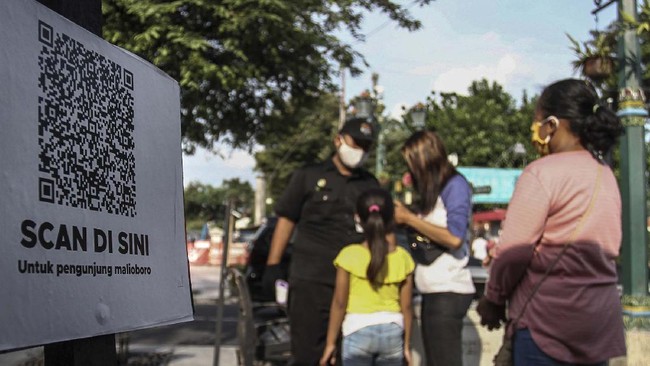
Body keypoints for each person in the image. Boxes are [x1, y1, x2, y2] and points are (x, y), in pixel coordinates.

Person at [477, 78, 626, 365]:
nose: (535, 129)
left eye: (537, 121)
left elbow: (514, 254)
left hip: (547, 323)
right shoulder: (604, 174)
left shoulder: (541, 173)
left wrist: (493, 300)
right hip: (599, 324)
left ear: (552, 125)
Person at [263, 117, 379, 365]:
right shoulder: (308, 176)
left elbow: (378, 231)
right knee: (308, 354)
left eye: (366, 146)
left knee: (348, 354)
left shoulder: (370, 184)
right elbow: (286, 221)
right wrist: (273, 265)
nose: (361, 151)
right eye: (356, 143)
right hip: (311, 281)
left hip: (355, 286)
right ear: (338, 140)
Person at [394, 130, 474, 366]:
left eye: (412, 164)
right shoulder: (436, 191)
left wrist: (410, 219)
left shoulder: (455, 185)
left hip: (448, 291)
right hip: (433, 291)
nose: (411, 172)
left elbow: (454, 237)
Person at [319, 188, 415, 366]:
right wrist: (407, 346)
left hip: (357, 329)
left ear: (358, 219)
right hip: (393, 331)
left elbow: (339, 303)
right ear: (391, 218)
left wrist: (330, 343)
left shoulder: (348, 255)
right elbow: (407, 307)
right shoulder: (404, 258)